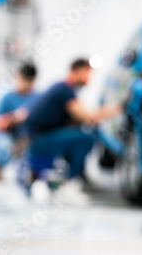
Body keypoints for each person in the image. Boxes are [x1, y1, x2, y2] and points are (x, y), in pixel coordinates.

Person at [25, 58, 121, 202]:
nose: (89, 78)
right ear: (75, 71)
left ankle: (76, 177)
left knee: (82, 135)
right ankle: (71, 183)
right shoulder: (64, 90)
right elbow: (87, 115)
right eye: (87, 73)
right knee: (85, 138)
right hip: (38, 141)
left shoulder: (65, 90)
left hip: (40, 139)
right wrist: (118, 108)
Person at [0, 63, 38, 180]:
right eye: (24, 80)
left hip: (28, 135)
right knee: (6, 146)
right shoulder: (6, 97)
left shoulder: (37, 97)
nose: (26, 84)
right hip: (6, 134)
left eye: (29, 81)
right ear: (17, 77)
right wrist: (14, 117)